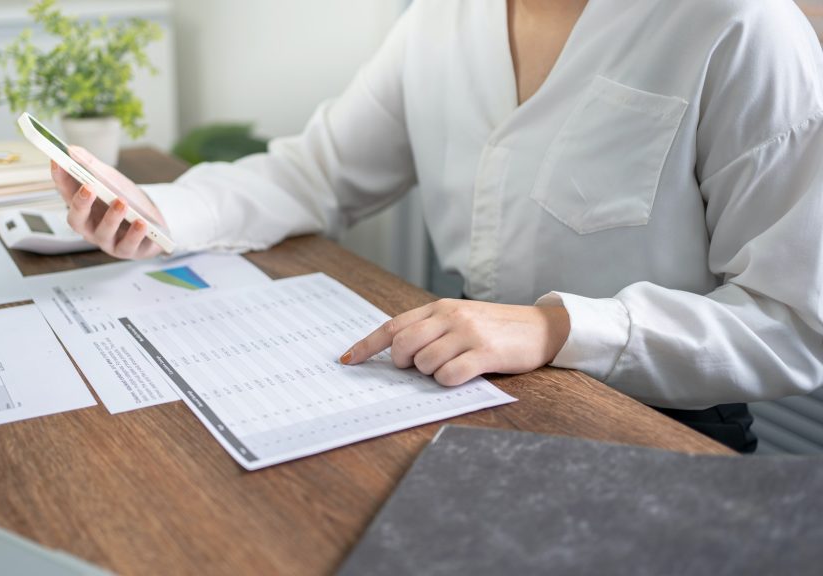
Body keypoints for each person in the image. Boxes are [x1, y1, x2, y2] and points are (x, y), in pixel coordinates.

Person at [51, 0, 823, 453]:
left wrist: (559, 328)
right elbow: (314, 170)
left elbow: (795, 324)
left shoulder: (742, 27)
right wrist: (163, 211)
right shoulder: (442, 19)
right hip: (476, 398)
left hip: (664, 428)